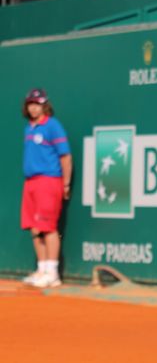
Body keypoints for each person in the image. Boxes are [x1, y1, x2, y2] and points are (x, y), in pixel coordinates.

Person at [20, 88, 72, 289]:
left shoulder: (53, 126)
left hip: (49, 181)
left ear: (44, 105)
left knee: (48, 228)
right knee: (34, 227)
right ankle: (42, 270)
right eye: (30, 104)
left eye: (37, 104)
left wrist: (65, 183)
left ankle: (53, 273)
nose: (33, 107)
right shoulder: (29, 128)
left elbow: (65, 156)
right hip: (30, 182)